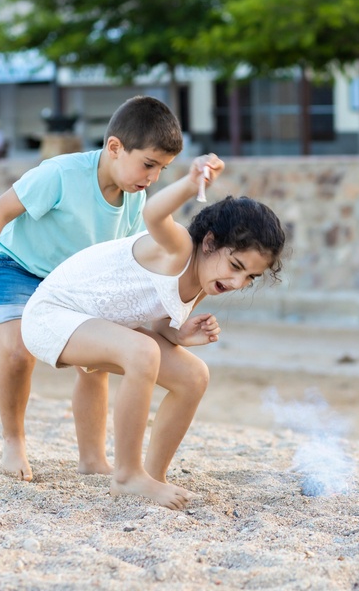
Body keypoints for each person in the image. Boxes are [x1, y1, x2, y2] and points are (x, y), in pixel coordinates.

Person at [21, 166, 286, 508]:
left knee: (194, 376)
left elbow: (158, 323)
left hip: (99, 325)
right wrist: (191, 184)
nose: (237, 283)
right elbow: (153, 212)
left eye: (250, 277)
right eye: (236, 266)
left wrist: (181, 335)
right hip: (51, 315)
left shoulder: (204, 281)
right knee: (142, 351)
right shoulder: (178, 249)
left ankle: (152, 476)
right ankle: (127, 475)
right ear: (208, 243)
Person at [0, 96, 183, 482]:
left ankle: (93, 458)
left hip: (72, 283)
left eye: (162, 169)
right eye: (149, 164)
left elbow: (129, 261)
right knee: (17, 352)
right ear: (114, 147)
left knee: (93, 364)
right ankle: (13, 441)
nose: (153, 177)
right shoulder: (61, 174)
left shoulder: (136, 202)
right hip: (14, 267)